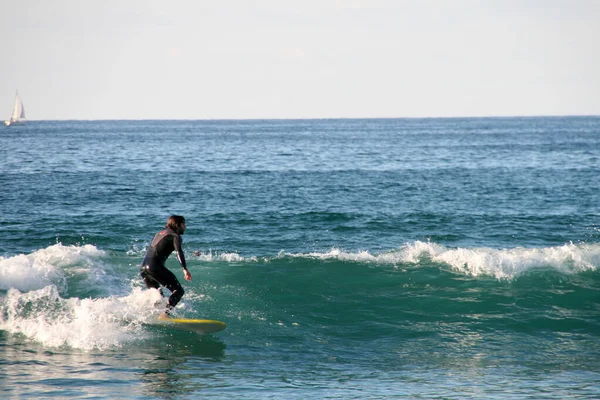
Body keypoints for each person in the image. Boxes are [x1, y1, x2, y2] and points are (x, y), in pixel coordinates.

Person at [140, 215, 192, 319]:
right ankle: (164, 315)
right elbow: (179, 252)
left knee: (158, 295)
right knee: (178, 291)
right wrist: (184, 269)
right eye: (183, 224)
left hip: (143, 268)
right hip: (154, 267)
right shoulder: (175, 236)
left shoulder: (159, 233)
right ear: (177, 225)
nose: (185, 227)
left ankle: (152, 316)